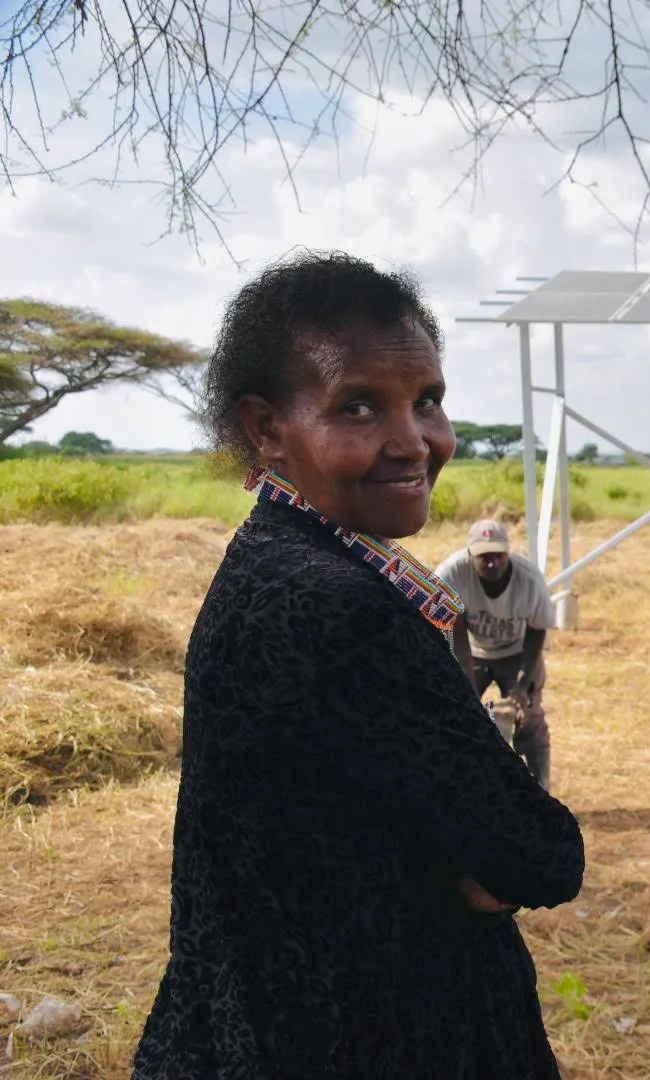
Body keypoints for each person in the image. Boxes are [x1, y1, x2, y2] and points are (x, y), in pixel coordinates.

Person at [133, 251, 585, 1080]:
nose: (414, 443)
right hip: (363, 1033)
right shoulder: (335, 607)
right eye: (360, 406)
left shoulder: (270, 556)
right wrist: (480, 856)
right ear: (267, 429)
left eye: (429, 401)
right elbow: (539, 853)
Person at [435, 519, 556, 788]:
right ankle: (462, 787)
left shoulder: (528, 579)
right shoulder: (451, 574)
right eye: (484, 557)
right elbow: (454, 629)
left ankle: (541, 792)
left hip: (517, 653)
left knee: (530, 719)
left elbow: (537, 631)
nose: (492, 564)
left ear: (508, 553)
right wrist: (463, 684)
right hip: (474, 653)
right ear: (470, 556)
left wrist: (523, 686)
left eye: (499, 556)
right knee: (456, 716)